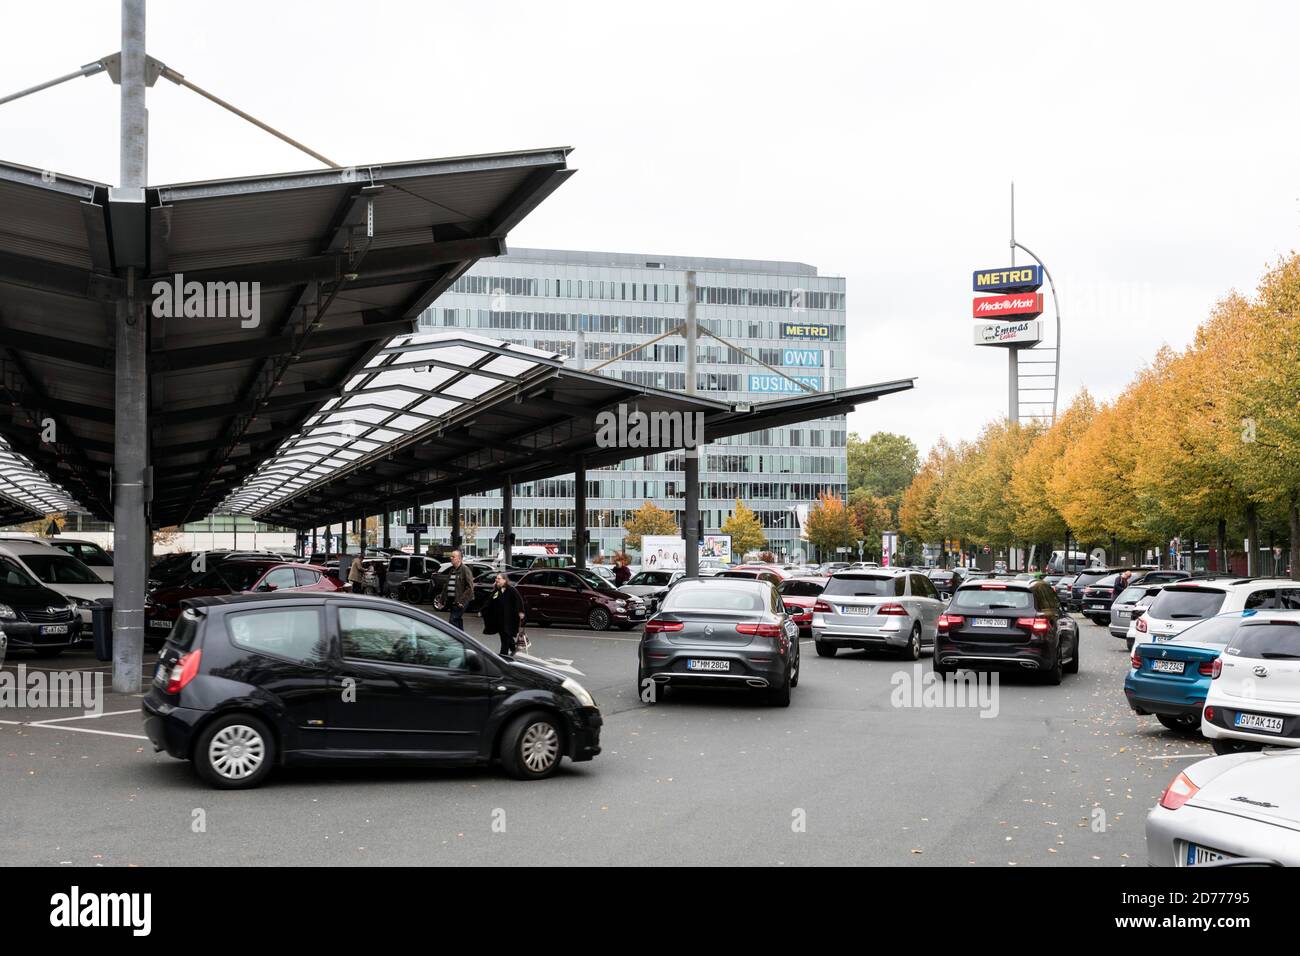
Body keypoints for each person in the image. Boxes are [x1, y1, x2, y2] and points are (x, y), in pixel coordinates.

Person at [482, 572, 525, 657]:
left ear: (504, 580)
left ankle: (503, 656)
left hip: (509, 619)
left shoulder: (511, 590)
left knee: (505, 637)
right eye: (496, 578)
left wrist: (521, 611)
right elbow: (489, 602)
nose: (496, 580)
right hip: (500, 620)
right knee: (505, 636)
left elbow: (519, 601)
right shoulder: (496, 591)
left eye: (498, 578)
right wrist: (482, 610)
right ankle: (513, 647)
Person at [447, 549, 475, 631]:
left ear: (459, 559)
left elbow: (470, 587)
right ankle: (462, 640)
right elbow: (446, 586)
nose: (451, 558)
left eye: (453, 557)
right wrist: (442, 600)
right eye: (451, 556)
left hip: (460, 602)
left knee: (453, 621)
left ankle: (456, 640)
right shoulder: (452, 570)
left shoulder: (465, 569)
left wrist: (462, 601)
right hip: (453, 601)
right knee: (457, 621)